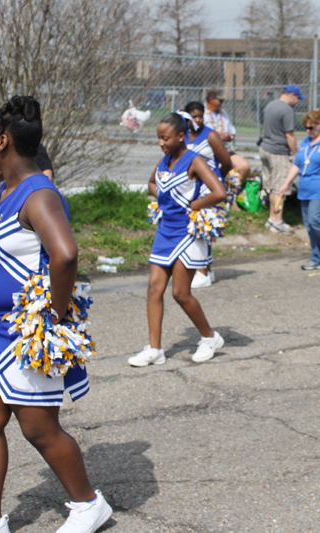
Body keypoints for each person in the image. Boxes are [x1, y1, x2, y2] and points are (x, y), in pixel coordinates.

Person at [0, 96, 112, 533]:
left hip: (26, 332)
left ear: (2, 140)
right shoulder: (6, 188)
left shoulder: (38, 194)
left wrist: (53, 315)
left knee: (38, 428)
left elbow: (66, 255)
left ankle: (88, 505)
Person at [128, 113, 227, 367]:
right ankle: (154, 349)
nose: (161, 143)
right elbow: (152, 183)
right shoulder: (164, 161)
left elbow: (219, 192)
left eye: (165, 138)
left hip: (188, 233)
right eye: (159, 138)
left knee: (180, 293)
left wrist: (194, 204)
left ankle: (209, 337)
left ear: (180, 136)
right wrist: (163, 197)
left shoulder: (195, 160)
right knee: (153, 289)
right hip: (165, 231)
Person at [277, 108, 320, 270]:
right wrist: (286, 183)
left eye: (311, 128)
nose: (309, 131)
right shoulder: (306, 142)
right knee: (309, 225)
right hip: (305, 189)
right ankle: (317, 257)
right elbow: (297, 164)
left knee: (315, 220)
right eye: (306, 128)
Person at [183, 101, 233, 289]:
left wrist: (215, 180)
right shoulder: (183, 136)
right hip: (191, 188)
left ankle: (202, 273)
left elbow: (227, 162)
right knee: (200, 228)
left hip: (209, 190)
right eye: (193, 116)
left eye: (200, 115)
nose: (197, 119)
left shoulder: (210, 135)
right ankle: (207, 271)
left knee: (201, 227)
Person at [259, 84, 304, 235]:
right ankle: (278, 221)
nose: (297, 102)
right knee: (281, 188)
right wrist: (296, 153)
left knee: (272, 186)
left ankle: (271, 218)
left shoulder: (269, 105)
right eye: (297, 98)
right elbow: (289, 135)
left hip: (264, 148)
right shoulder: (287, 110)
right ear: (292, 95)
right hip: (278, 152)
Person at [203, 89, 252, 183]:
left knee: (244, 167)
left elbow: (232, 133)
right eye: (220, 101)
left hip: (224, 149)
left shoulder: (223, 113)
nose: (222, 103)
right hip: (208, 151)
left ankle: (233, 191)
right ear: (211, 100)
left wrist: (229, 137)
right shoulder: (202, 114)